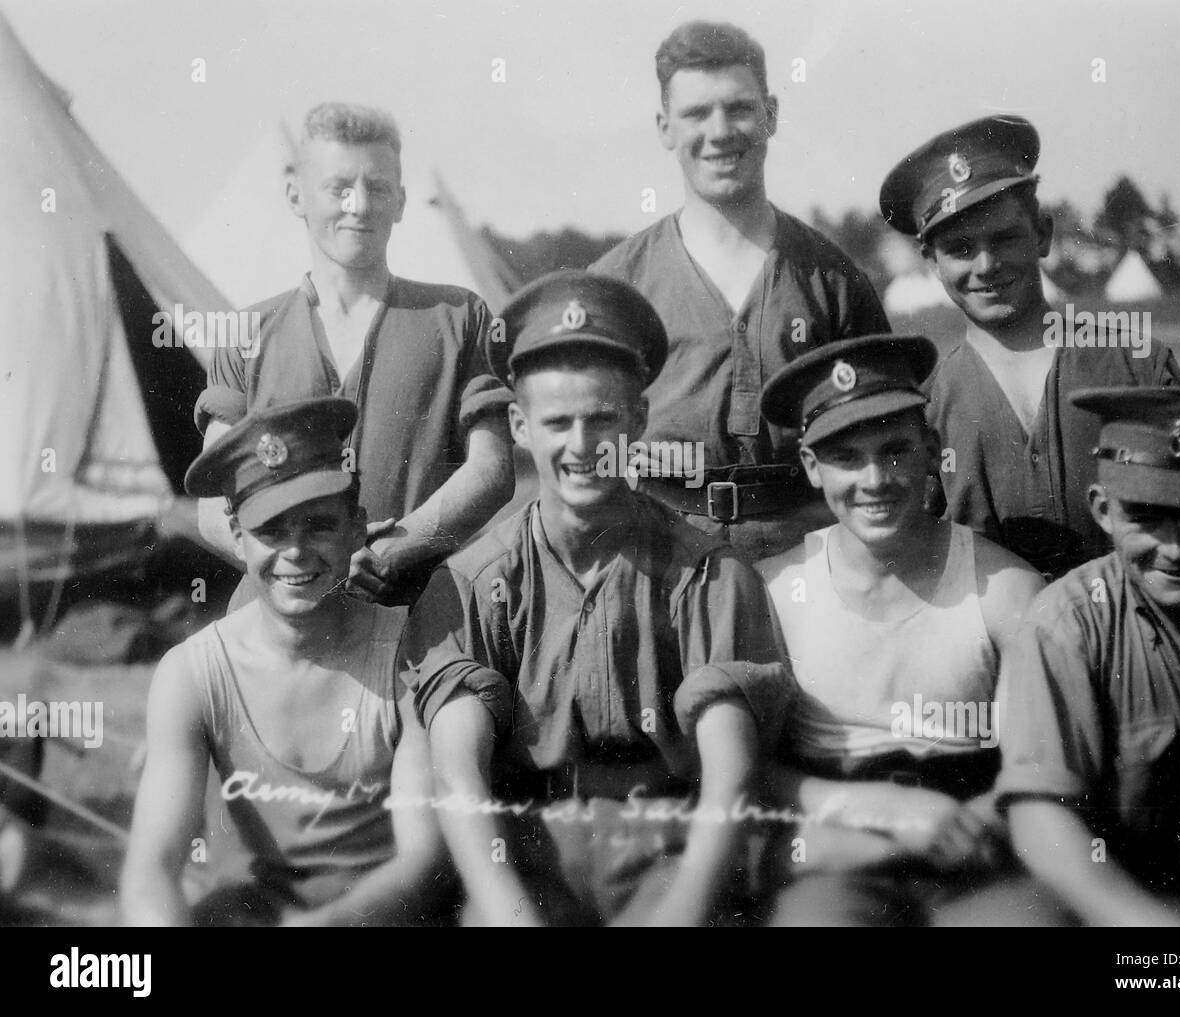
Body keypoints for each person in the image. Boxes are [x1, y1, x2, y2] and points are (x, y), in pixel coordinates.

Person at [402, 270, 795, 926]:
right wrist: (507, 913)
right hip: (527, 854)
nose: (581, 446)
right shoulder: (469, 581)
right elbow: (458, 776)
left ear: (638, 418)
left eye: (602, 419)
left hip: (667, 851)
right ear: (521, 427)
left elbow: (729, 774)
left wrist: (682, 913)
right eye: (557, 422)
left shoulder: (706, 573)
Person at [756, 335, 1050, 925]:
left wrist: (958, 827)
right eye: (846, 458)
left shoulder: (1006, 589)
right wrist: (885, 820)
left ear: (932, 451)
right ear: (812, 468)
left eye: (894, 451)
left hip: (979, 839)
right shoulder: (775, 591)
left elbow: (1038, 770)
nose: (874, 480)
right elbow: (749, 767)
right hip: (838, 846)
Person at [120, 398, 449, 926]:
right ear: (236, 536)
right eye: (271, 531)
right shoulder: (192, 675)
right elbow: (152, 868)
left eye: (319, 525)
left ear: (356, 528)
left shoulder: (408, 656)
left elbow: (420, 860)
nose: (295, 553)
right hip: (259, 912)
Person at [591, 21, 891, 563]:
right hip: (657, 553)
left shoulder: (832, 279)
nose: (721, 131)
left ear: (770, 113)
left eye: (739, 108)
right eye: (697, 113)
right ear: (664, 127)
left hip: (812, 554)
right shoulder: (616, 286)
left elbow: (885, 439)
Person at [998, 386, 1180, 925]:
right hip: (1137, 913)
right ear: (1103, 510)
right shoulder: (1067, 623)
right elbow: (1041, 816)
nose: (1176, 549)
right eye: (1146, 517)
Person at [195, 102, 513, 607]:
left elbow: (491, 470)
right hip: (276, 625)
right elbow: (212, 506)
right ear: (296, 195)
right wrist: (303, 560)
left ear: (402, 201)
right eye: (338, 187)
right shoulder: (245, 333)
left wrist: (394, 549)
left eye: (378, 188)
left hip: (410, 620)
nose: (359, 205)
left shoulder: (458, 316)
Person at [879, 115, 1180, 579]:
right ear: (932, 262)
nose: (985, 265)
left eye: (1003, 238)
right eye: (960, 248)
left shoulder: (1137, 364)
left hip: (1132, 638)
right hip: (994, 645)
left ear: (1041, 234)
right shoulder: (926, 407)